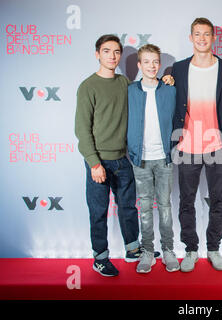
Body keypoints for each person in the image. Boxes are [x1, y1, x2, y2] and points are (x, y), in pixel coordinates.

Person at [171, 17, 222, 272]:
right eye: (197, 34)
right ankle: (190, 249)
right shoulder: (176, 70)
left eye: (206, 34)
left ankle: (213, 248)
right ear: (191, 38)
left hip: (217, 145)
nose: (201, 38)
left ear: (213, 38)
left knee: (218, 200)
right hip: (187, 144)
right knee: (187, 201)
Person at [75, 34, 141, 277]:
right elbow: (82, 129)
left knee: (127, 207)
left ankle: (133, 248)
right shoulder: (88, 86)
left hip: (122, 159)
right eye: (106, 51)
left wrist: (165, 79)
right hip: (99, 161)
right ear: (97, 54)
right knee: (98, 211)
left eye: (115, 52)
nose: (112, 56)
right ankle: (100, 257)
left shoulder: (124, 83)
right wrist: (94, 163)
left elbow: (145, 94)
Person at [127, 44, 179, 273]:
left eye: (155, 61)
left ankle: (168, 249)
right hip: (141, 160)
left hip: (164, 158)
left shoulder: (169, 89)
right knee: (146, 208)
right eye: (146, 62)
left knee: (165, 206)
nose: (151, 66)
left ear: (159, 64)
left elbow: (179, 118)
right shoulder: (130, 90)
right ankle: (148, 251)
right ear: (139, 65)